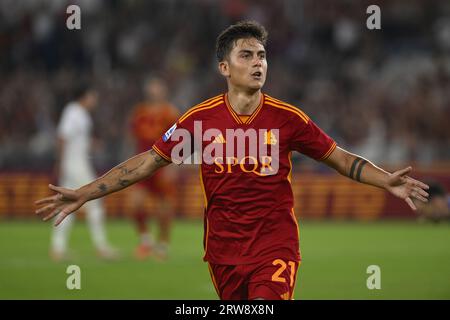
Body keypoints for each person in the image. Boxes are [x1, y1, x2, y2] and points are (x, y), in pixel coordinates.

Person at [36, 21, 429, 299]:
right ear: (225, 67)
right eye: (247, 55)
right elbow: (146, 163)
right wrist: (85, 193)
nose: (259, 62)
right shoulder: (199, 119)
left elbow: (340, 158)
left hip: (275, 247)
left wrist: (386, 180)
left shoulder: (288, 118)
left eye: (262, 55)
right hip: (222, 251)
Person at [50, 83, 117, 261]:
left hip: (73, 163)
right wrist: (60, 161)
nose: (94, 100)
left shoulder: (80, 114)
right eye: (92, 96)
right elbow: (63, 137)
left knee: (67, 203)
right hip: (75, 164)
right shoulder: (73, 111)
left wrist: (93, 144)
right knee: (95, 198)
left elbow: (76, 139)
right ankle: (101, 246)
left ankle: (57, 248)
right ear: (85, 96)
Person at [128, 77, 179, 260]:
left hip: (162, 165)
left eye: (157, 87)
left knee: (164, 208)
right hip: (143, 164)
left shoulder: (170, 113)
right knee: (135, 204)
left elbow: (178, 140)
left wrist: (174, 165)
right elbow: (135, 139)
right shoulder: (139, 112)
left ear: (163, 90)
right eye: (151, 86)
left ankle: (163, 243)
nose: (153, 90)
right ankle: (146, 241)